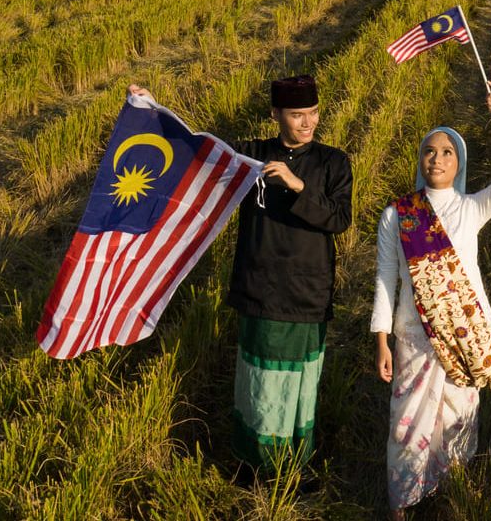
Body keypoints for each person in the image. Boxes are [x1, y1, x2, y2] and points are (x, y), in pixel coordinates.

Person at [134, 74, 354, 476]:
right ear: (275, 114)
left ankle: (293, 468)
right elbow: (197, 152)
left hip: (309, 291)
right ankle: (254, 465)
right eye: (297, 115)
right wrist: (153, 111)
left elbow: (339, 218)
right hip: (260, 288)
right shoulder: (250, 157)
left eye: (313, 113)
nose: (308, 123)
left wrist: (295, 184)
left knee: (301, 385)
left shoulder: (332, 162)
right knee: (260, 384)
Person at [371, 83, 491, 517]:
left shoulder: (472, 208)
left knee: (458, 413)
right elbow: (385, 279)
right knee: (407, 422)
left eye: (447, 152)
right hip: (414, 335)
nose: (437, 158)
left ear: (459, 162)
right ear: (420, 160)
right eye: (430, 151)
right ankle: (401, 501)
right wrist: (381, 339)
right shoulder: (398, 214)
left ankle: (450, 493)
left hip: (466, 334)